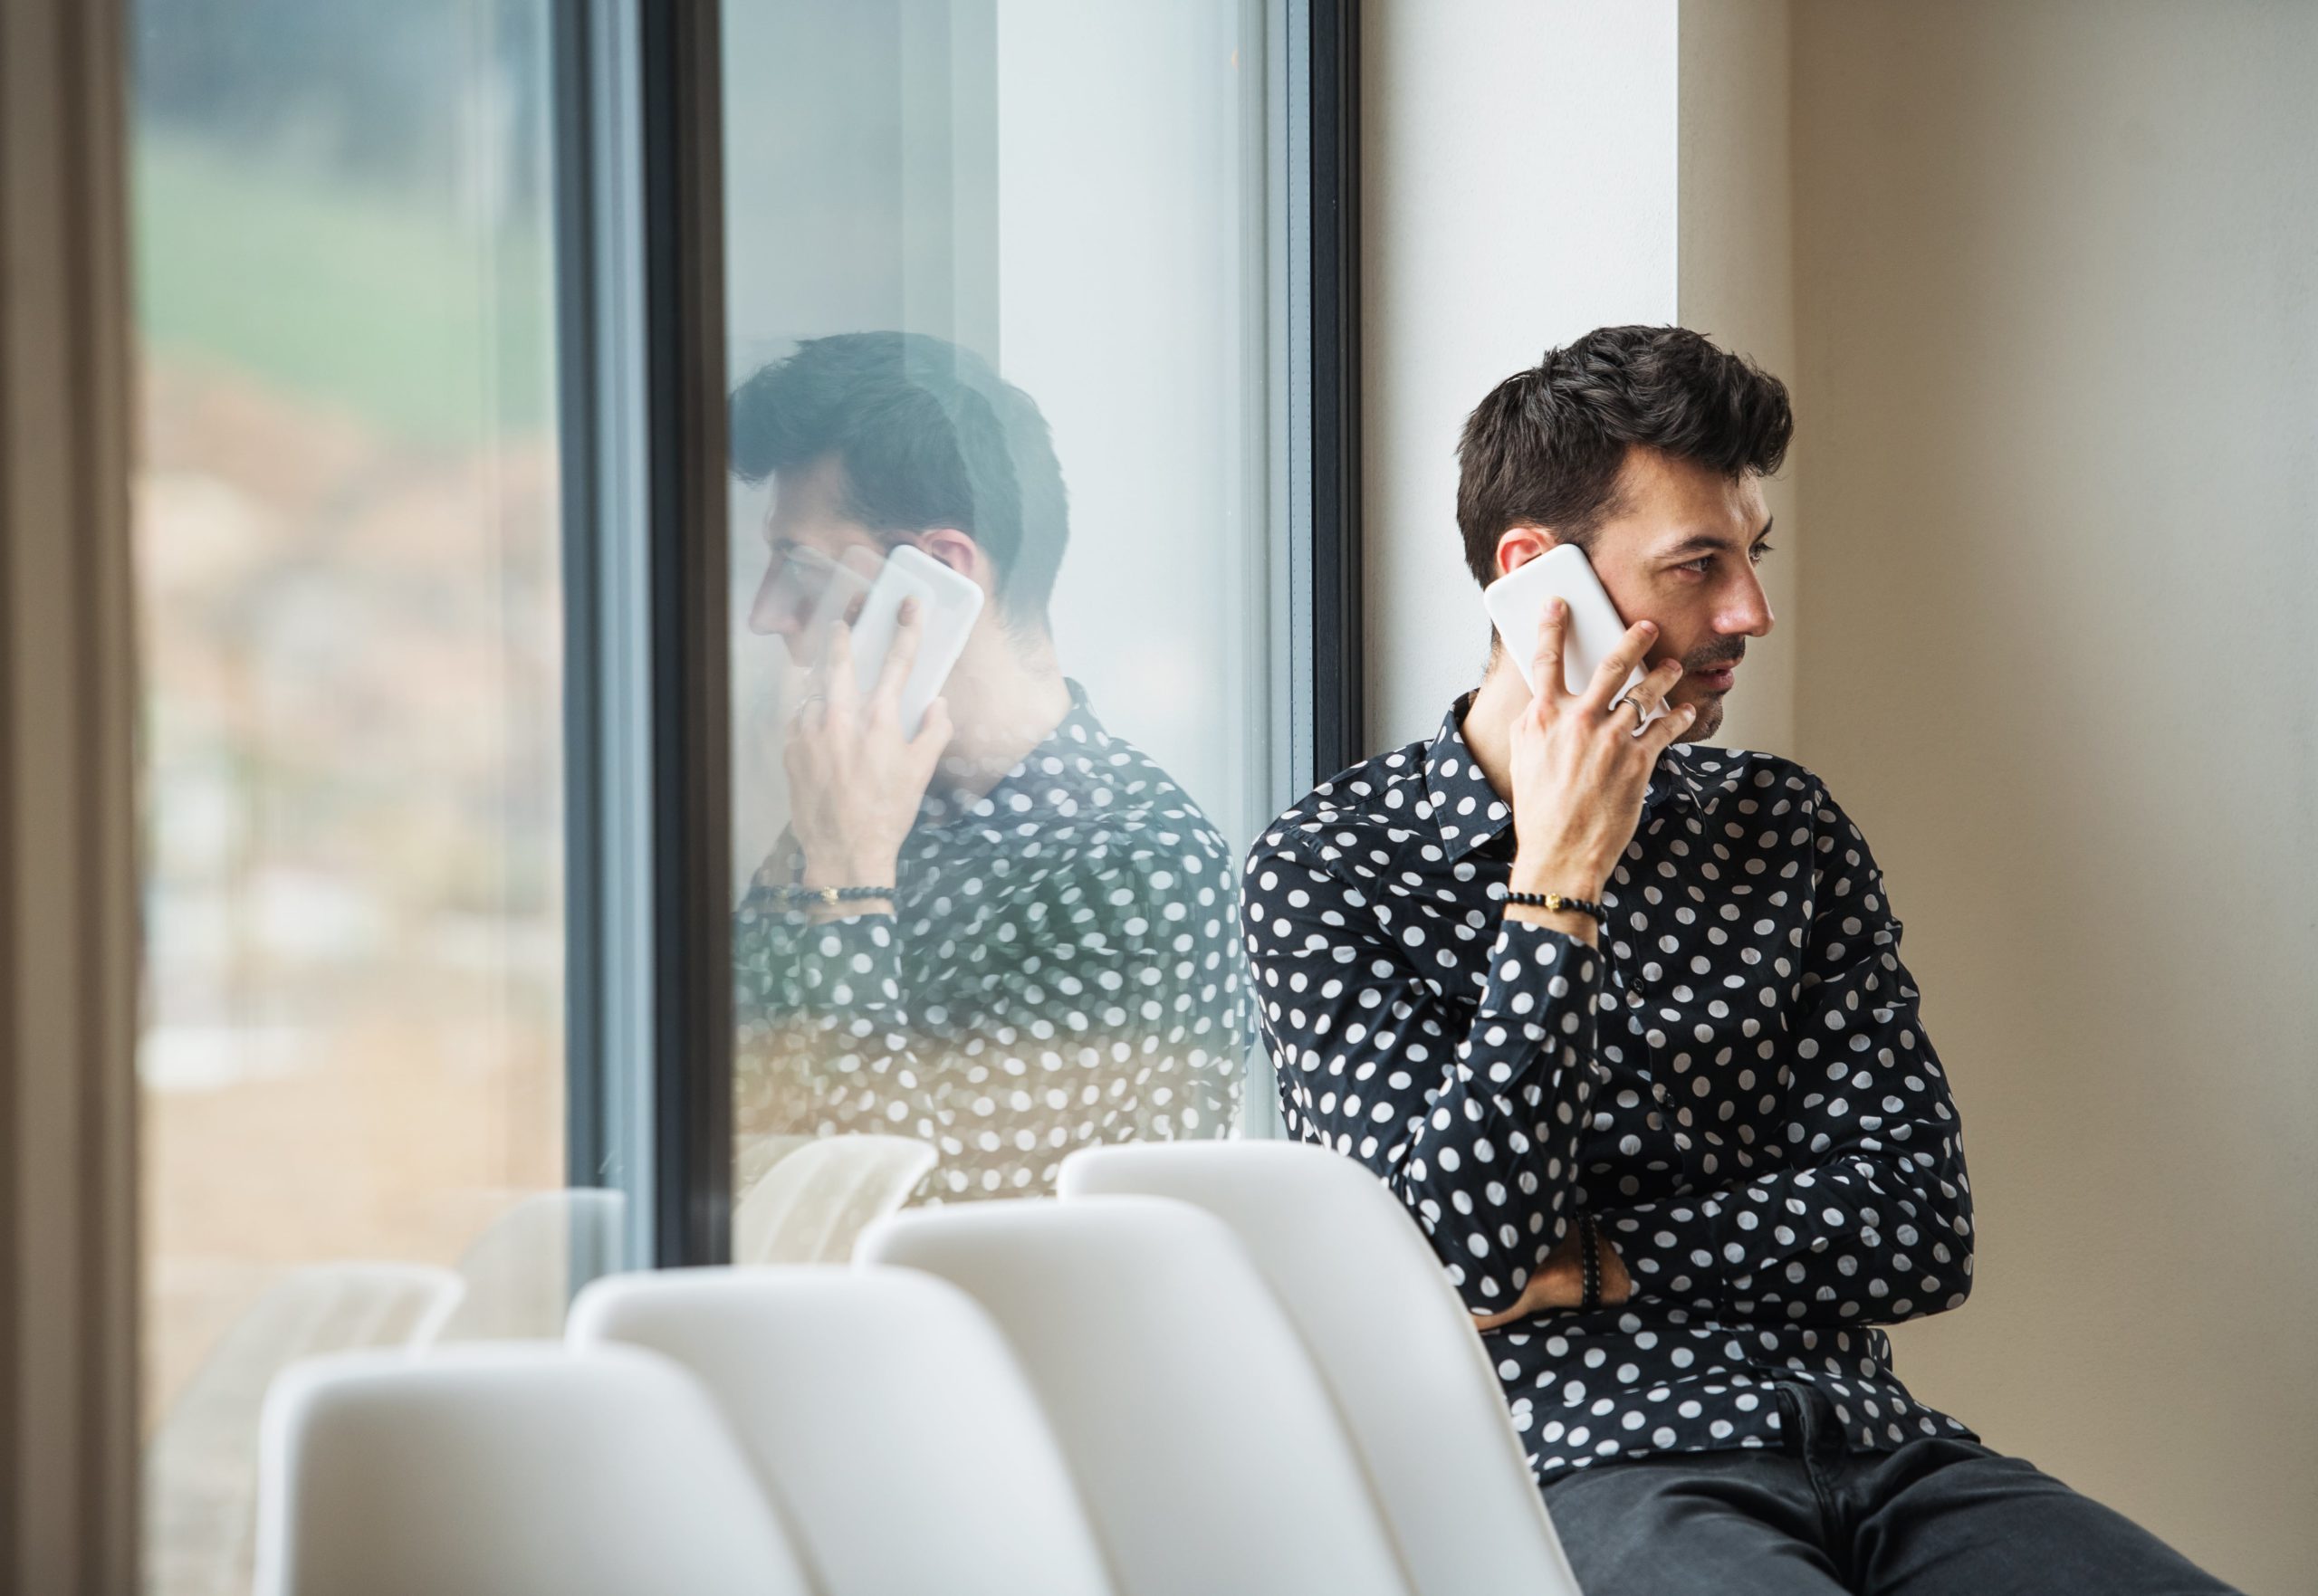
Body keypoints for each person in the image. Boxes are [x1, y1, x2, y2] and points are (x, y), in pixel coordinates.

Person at [1240, 326, 2236, 1593]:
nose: (1749, 609)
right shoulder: (1333, 866)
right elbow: (1456, 1259)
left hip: (1878, 1446)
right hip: (1586, 1464)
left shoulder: (1784, 827)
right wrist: (1560, 884)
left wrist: (1602, 1261)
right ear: (1538, 576)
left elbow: (1915, 1224)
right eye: (1697, 563)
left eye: (1751, 555)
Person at [729, 331, 1244, 1205]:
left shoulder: (1142, 864)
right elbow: (684, 1141)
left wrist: (849, 881)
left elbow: (928, 1226)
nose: (766, 615)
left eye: (800, 565)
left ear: (931, 576)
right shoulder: (865, 807)